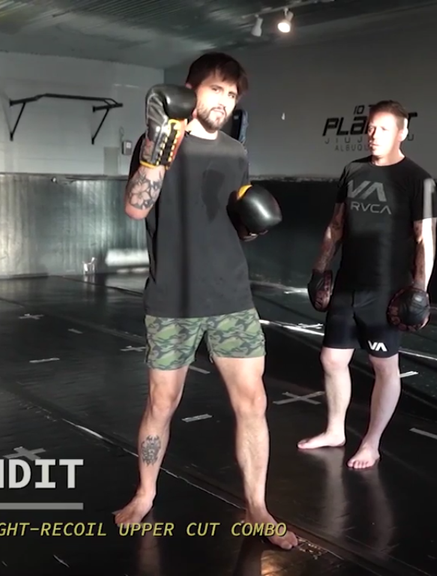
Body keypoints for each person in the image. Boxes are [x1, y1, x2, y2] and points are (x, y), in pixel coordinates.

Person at [114, 52, 298, 550]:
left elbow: (235, 225)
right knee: (162, 402)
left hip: (232, 296)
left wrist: (252, 226)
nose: (224, 101)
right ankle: (145, 493)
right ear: (191, 89)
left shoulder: (236, 152)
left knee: (253, 402)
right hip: (173, 298)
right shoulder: (157, 141)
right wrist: (158, 148)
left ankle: (257, 507)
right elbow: (135, 207)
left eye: (232, 94)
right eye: (216, 89)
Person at [299, 100, 437, 469]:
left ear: (402, 133)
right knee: (332, 358)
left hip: (387, 290)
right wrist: (319, 268)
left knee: (383, 365)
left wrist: (420, 291)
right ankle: (335, 431)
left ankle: (372, 443)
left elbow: (424, 238)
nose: (374, 135)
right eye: (371, 127)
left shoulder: (418, 180)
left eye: (384, 129)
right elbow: (336, 225)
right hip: (348, 283)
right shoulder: (353, 171)